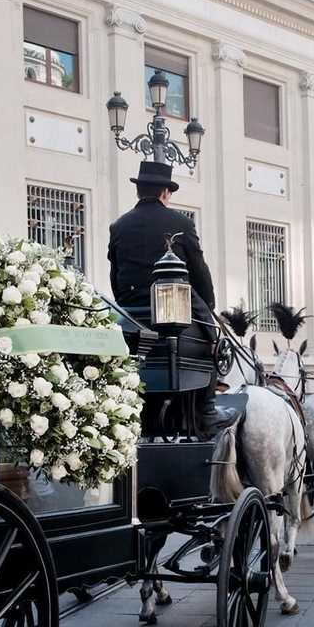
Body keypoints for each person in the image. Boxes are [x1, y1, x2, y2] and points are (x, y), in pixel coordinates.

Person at [107, 158, 227, 433]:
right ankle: (206, 412)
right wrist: (209, 313)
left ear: (139, 192)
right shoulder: (180, 222)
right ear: (165, 193)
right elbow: (199, 273)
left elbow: (116, 278)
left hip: (131, 326)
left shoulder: (119, 226)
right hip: (175, 323)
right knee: (213, 344)